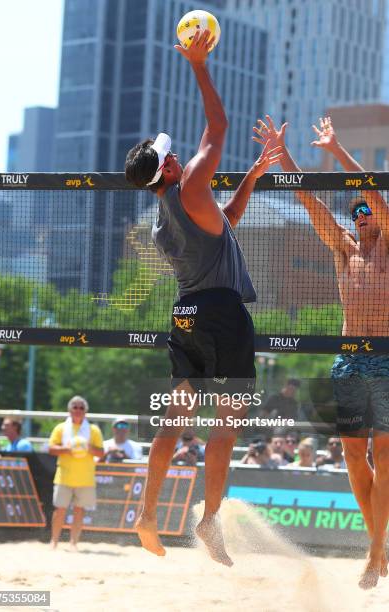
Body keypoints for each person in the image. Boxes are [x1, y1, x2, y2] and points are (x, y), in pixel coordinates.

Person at [124, 31, 282, 566]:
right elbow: (218, 126)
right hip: (220, 312)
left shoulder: (162, 222)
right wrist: (198, 64)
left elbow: (227, 223)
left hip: (185, 314)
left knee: (175, 419)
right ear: (168, 168)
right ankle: (209, 521)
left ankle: (147, 512)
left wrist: (255, 175)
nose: (179, 158)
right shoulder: (190, 181)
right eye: (173, 156)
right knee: (226, 425)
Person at [253, 114, 389, 589]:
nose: (362, 216)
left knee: (385, 453)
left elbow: (371, 191)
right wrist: (285, 156)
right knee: (354, 456)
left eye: (367, 211)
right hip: (350, 359)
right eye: (356, 214)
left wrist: (334, 151)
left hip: (388, 358)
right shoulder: (344, 250)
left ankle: (375, 552)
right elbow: (307, 199)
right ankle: (380, 545)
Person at [48, 395, 103, 551]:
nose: (78, 410)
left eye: (81, 408)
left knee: (79, 511)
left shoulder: (93, 430)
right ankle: (54, 541)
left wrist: (87, 448)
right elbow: (51, 449)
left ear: (85, 411)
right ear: (69, 410)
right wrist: (68, 449)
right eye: (75, 407)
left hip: (85, 477)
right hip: (64, 476)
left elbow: (100, 452)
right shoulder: (60, 428)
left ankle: (73, 543)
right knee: (60, 510)